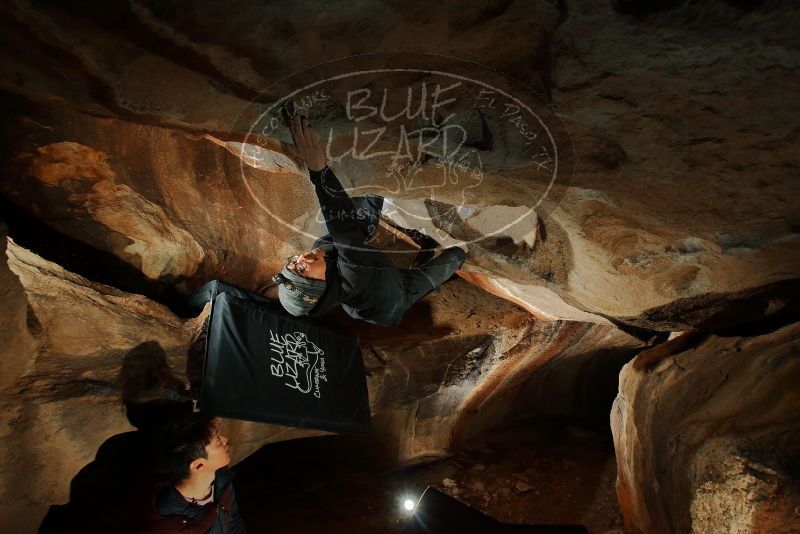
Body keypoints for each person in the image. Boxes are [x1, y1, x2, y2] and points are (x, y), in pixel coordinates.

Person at [273, 113, 467, 326]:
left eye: (294, 262)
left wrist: (378, 188)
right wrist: (319, 172)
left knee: (353, 218)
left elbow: (360, 228)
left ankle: (419, 256)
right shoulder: (353, 278)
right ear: (318, 285)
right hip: (396, 299)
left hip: (378, 278)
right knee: (457, 254)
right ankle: (431, 269)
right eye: (302, 269)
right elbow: (344, 229)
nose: (302, 258)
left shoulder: (323, 250)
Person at [144, 412, 246, 533]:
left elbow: (233, 521)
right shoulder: (170, 523)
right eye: (218, 440)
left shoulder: (221, 477)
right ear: (198, 465)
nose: (226, 440)